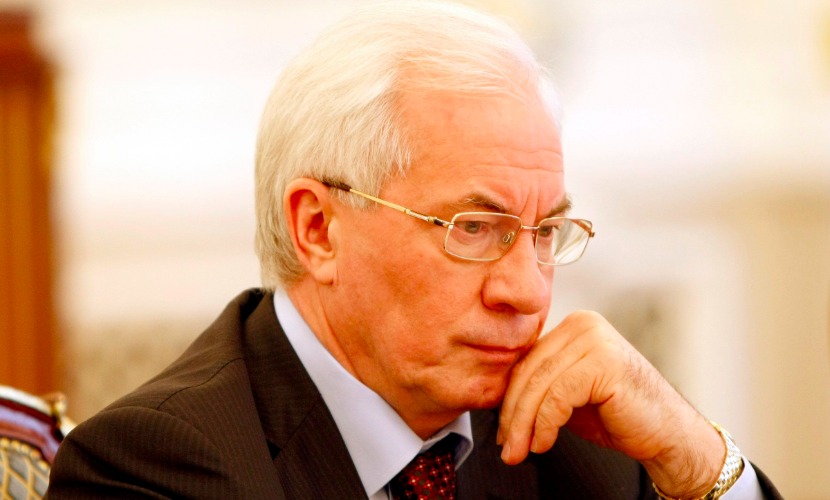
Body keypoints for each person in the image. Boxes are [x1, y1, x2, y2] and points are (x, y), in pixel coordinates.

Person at [47, 2, 782, 499]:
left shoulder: (582, 445)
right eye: (474, 227)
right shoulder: (155, 468)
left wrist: (696, 460)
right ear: (318, 229)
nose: (528, 292)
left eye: (543, 233)